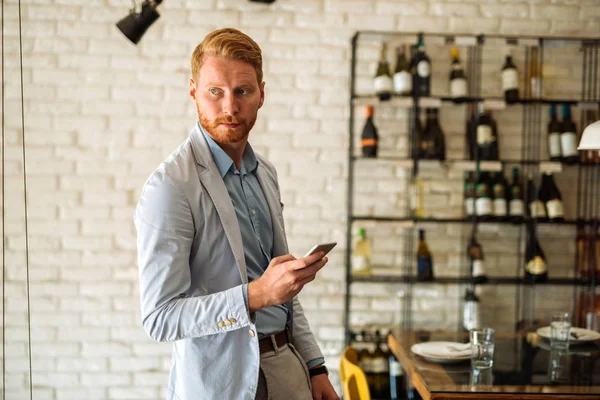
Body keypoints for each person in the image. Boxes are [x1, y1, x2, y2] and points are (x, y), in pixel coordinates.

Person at [134, 28, 339, 400]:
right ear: (194, 91)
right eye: (216, 92)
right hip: (220, 384)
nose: (229, 107)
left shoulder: (266, 173)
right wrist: (255, 295)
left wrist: (315, 366)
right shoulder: (170, 186)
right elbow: (159, 318)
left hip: (289, 371)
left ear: (262, 94)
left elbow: (283, 288)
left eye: (242, 91)